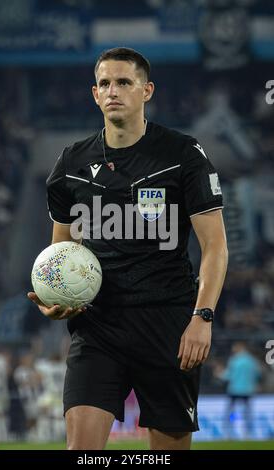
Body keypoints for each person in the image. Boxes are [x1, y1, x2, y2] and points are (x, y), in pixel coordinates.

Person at [28, 47, 228, 450]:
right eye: (105, 83)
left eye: (124, 82)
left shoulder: (182, 155)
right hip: (98, 326)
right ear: (94, 94)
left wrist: (202, 316)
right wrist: (54, 299)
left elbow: (216, 247)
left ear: (147, 90)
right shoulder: (70, 164)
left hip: (168, 324)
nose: (113, 90)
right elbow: (60, 253)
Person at [215, 342, 261, 438]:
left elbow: (229, 376)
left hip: (235, 390)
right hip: (248, 390)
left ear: (239, 348)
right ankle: (248, 433)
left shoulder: (234, 360)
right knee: (247, 412)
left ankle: (228, 432)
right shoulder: (252, 360)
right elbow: (258, 375)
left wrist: (219, 374)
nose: (233, 350)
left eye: (234, 348)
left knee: (231, 412)